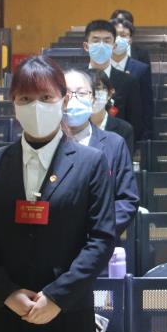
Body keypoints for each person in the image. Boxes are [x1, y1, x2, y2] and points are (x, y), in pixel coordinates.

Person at [0, 55, 115, 332]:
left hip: (69, 311)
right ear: (13, 102)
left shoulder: (91, 162)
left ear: (64, 99)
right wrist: (7, 293)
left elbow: (101, 239)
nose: (36, 106)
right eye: (25, 98)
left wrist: (58, 296)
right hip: (10, 312)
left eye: (46, 97)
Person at [64, 69, 139, 239]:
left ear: (92, 99)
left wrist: (98, 232)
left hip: (101, 241)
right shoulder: (48, 143)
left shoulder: (115, 144)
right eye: (66, 94)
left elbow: (127, 201)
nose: (73, 99)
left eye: (82, 93)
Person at [84, 19, 145, 140]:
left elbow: (135, 124)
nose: (101, 45)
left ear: (114, 46)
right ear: (86, 46)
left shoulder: (129, 82)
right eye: (96, 41)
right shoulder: (76, 79)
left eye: (107, 41)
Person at [111, 17, 155, 140]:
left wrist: (146, 133)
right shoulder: (101, 65)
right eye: (115, 35)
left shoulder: (141, 68)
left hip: (132, 128)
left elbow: (147, 102)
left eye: (124, 35)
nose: (119, 39)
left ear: (130, 39)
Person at [90, 69, 135, 153]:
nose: (93, 95)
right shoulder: (74, 127)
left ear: (109, 93)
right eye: (88, 91)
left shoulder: (124, 129)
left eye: (97, 89)